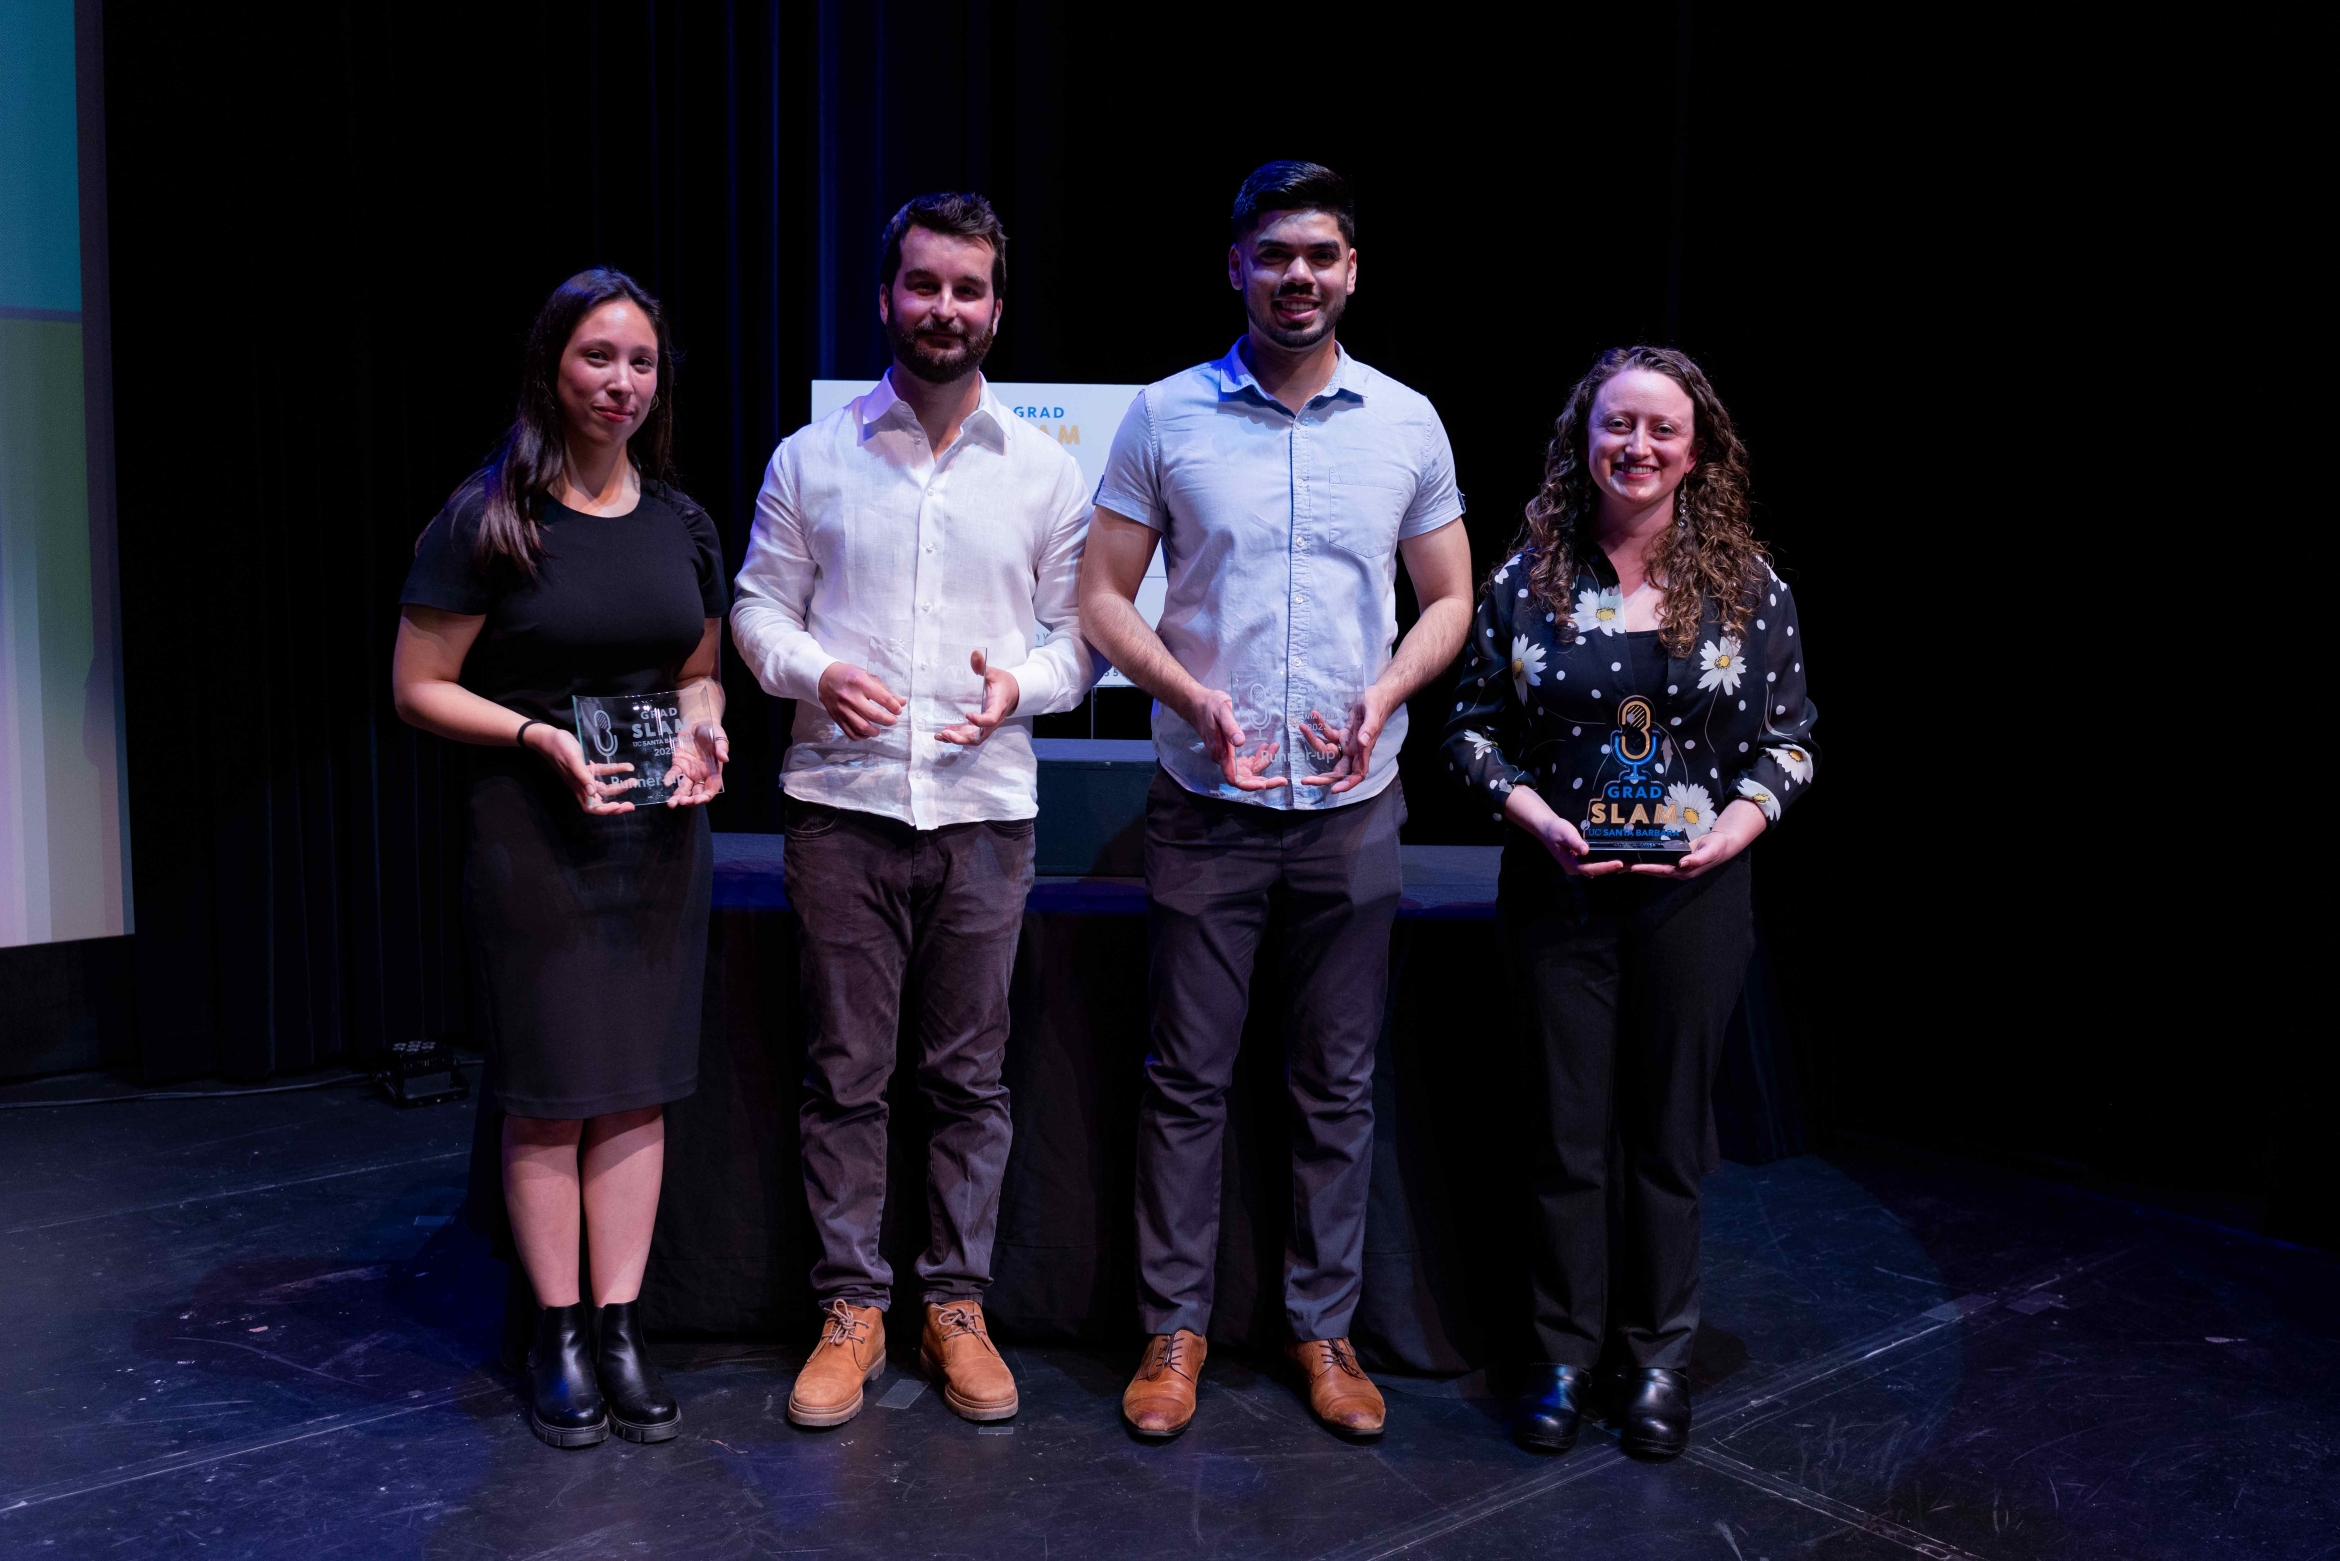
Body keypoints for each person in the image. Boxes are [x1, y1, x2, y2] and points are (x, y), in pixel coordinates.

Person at [1079, 161, 1474, 1440]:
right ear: (1235, 268)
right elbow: (1098, 599)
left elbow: (1451, 599)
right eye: (1272, 255)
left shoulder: (1406, 422)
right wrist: (1195, 699)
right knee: (1187, 1078)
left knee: (1334, 1082)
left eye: (1320, 255)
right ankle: (1173, 1331)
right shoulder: (1165, 416)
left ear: (1352, 271)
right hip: (1205, 799)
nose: (1296, 276)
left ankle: (1322, 1329)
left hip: (1355, 801)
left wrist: (1388, 687)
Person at [731, 191, 1097, 1429]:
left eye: (969, 289)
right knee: (845, 1076)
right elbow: (755, 613)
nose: (946, 309)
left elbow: (1075, 644)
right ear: (887, 294)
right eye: (925, 284)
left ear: (999, 307)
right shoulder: (810, 457)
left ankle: (954, 1303)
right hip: (840, 805)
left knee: (969, 1078)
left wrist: (1025, 687)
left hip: (987, 814)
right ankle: (852, 1306)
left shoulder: (1047, 474)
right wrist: (810, 671)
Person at [1440, 345, 1817, 1460]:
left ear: (1696, 452)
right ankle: (1560, 1355)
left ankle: (1653, 1357)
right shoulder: (1528, 578)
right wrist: (1536, 818)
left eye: (1661, 429)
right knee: (1566, 1138)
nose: (1638, 447)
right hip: (1559, 893)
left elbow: (1790, 743)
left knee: (1663, 1139)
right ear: (1583, 440)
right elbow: (1468, 728)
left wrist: (1728, 832)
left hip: (1695, 900)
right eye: (1618, 426)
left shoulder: (1748, 585)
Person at [392, 269, 728, 1450]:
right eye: (598, 358)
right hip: (533, 836)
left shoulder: (683, 521)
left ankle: (622, 1325)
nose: (622, 383)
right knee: (548, 1096)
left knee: (634, 1086)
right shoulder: (491, 518)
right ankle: (557, 1332)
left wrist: (710, 726)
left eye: (641, 362)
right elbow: (417, 686)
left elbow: (696, 667)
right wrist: (535, 733)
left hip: (653, 835)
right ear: (553, 368)